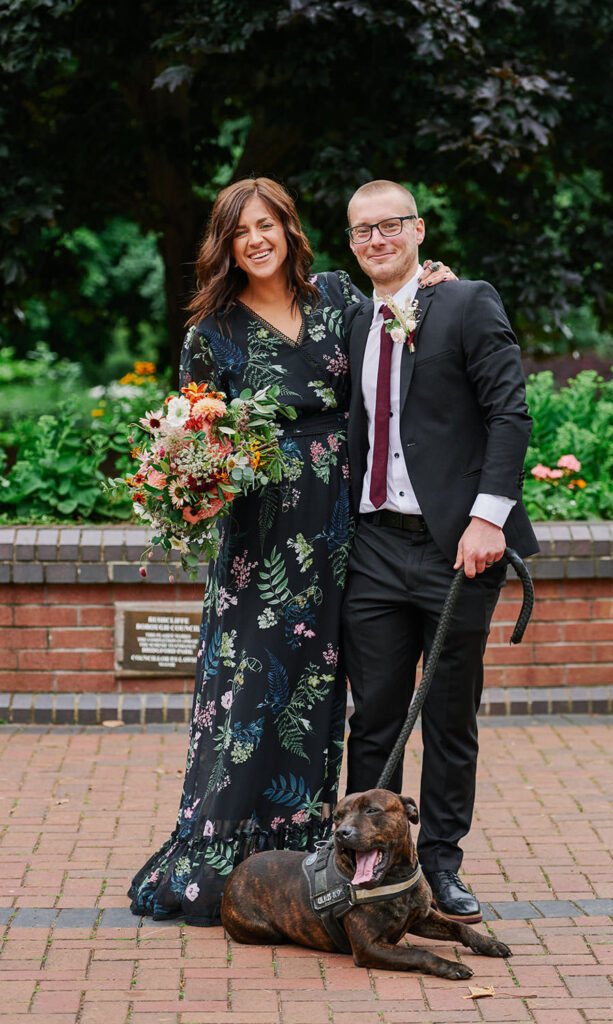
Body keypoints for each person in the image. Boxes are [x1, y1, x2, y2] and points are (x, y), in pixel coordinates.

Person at [128, 177, 451, 925]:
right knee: (250, 697)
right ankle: (227, 862)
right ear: (226, 245)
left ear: (288, 230)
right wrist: (190, 486)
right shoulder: (211, 333)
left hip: (344, 534)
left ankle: (308, 860)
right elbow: (194, 441)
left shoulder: (335, 297)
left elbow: (399, 321)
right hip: (260, 547)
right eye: (241, 231)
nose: (256, 240)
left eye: (267, 225)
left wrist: (432, 281)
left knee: (318, 696)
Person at [342, 179, 538, 924]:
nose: (377, 240)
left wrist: (488, 519)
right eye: (363, 231)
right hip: (373, 546)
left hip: (458, 548)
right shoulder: (351, 318)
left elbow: (508, 413)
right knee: (375, 717)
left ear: (418, 229)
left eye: (390, 225)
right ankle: (367, 867)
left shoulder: (465, 302)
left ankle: (442, 864)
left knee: (449, 717)